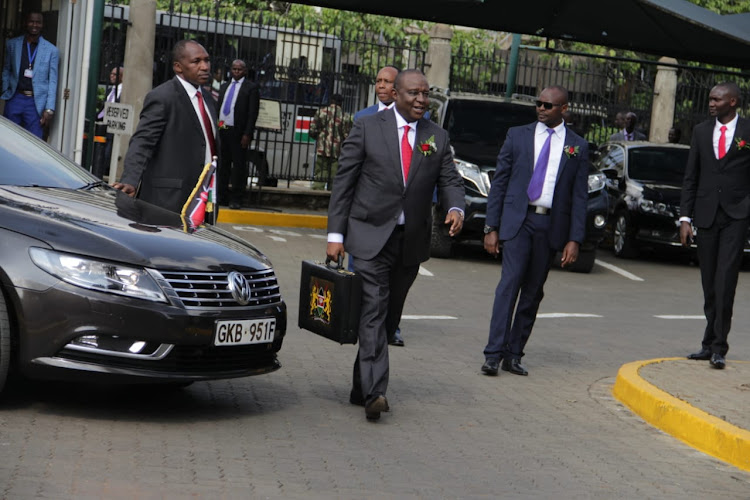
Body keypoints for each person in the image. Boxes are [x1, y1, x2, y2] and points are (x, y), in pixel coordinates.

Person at [326, 69, 465, 421]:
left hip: (410, 243)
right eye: (413, 93)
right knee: (372, 310)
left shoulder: (437, 136)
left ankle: (361, 386)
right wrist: (335, 236)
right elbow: (345, 183)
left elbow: (449, 179)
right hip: (369, 237)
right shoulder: (368, 127)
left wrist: (454, 207)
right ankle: (376, 392)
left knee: (387, 319)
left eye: (425, 94)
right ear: (397, 94)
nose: (421, 100)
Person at [481, 85, 589, 377]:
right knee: (508, 285)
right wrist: (492, 226)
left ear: (564, 109)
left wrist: (574, 239)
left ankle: (514, 354)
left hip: (550, 225)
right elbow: (499, 184)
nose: (541, 108)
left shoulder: (577, 145)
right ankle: (493, 354)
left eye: (548, 105)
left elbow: (580, 196)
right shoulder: (517, 135)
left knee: (532, 292)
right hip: (518, 222)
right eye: (538, 103)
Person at [680, 82, 750, 370]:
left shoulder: (748, 131)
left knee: (725, 281)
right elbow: (690, 177)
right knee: (709, 281)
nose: (711, 103)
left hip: (736, 216)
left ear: (732, 101)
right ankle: (708, 343)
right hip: (706, 215)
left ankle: (719, 347)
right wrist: (685, 218)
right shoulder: (700, 132)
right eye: (709, 99)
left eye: (717, 99)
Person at [113, 40, 219, 217]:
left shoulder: (208, 99)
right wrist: (130, 179)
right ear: (178, 67)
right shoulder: (163, 97)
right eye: (196, 61)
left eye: (206, 60)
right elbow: (143, 141)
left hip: (205, 196)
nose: (205, 66)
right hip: (169, 199)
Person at [351, 65, 406, 346]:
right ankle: (356, 322)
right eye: (379, 81)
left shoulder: (418, 120)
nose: (382, 86)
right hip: (366, 212)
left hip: (397, 215)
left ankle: (389, 328)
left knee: (391, 282)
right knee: (361, 275)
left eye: (388, 82)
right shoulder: (363, 118)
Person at [1, 11, 59, 139]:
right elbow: (7, 69)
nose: (34, 25)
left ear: (42, 25)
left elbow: (52, 81)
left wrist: (49, 108)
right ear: (25, 23)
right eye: (31, 21)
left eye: (38, 22)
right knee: (8, 138)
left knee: (33, 141)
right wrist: (6, 90)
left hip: (36, 102)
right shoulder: (12, 45)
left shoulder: (52, 51)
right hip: (15, 97)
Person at [217, 59, 260, 209]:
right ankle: (221, 196)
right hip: (223, 129)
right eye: (234, 69)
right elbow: (220, 109)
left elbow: (252, 113)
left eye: (239, 69)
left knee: (239, 166)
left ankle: (236, 198)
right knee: (223, 165)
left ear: (245, 71)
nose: (236, 72)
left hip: (239, 131)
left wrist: (247, 134)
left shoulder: (251, 88)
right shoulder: (224, 87)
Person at [309, 93, 352, 190]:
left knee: (320, 172)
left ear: (331, 101)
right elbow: (347, 135)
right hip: (337, 151)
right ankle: (331, 197)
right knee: (334, 176)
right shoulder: (345, 116)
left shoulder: (321, 112)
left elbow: (312, 130)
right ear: (341, 103)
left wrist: (319, 137)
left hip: (322, 148)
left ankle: (316, 194)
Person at [97, 66, 124, 173]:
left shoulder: (124, 91)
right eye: (111, 74)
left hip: (114, 127)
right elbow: (103, 108)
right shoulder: (110, 90)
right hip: (103, 126)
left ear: (122, 76)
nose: (111, 76)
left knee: (108, 153)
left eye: (115, 74)